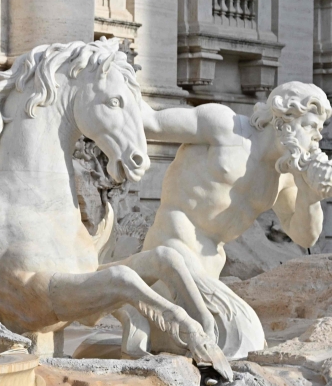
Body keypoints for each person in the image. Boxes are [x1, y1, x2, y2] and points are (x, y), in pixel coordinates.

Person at [126, 83, 332, 360]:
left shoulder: (283, 175)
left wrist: (311, 195)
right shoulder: (225, 126)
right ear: (282, 120)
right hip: (170, 251)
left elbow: (305, 237)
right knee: (242, 334)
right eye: (311, 126)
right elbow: (149, 121)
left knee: (229, 342)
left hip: (210, 268)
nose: (319, 136)